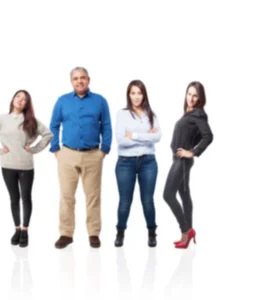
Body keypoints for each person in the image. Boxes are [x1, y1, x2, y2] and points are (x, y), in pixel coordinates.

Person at [49, 66, 112, 249]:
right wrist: (56, 149)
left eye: (82, 77)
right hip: (67, 154)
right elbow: (54, 125)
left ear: (89, 80)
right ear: (71, 81)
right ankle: (66, 234)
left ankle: (93, 233)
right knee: (66, 196)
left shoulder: (100, 101)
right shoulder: (62, 101)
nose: (79, 81)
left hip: (93, 155)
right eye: (76, 78)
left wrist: (104, 150)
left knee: (93, 196)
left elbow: (106, 126)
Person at [0, 90, 52, 247]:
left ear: (27, 104)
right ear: (13, 99)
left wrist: (33, 149)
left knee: (26, 197)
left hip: (26, 165)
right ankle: (17, 229)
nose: (20, 100)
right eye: (18, 97)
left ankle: (25, 230)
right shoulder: (3, 119)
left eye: (24, 99)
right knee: (14, 198)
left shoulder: (30, 120)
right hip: (7, 165)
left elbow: (48, 135)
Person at [163, 81, 213, 249]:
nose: (191, 98)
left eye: (195, 95)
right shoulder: (189, 113)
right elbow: (197, 135)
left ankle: (186, 230)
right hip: (178, 159)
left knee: (168, 195)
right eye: (189, 94)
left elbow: (208, 136)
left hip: (183, 161)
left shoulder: (198, 114)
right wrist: (190, 146)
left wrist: (191, 151)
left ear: (200, 98)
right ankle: (187, 235)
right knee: (184, 194)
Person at [113, 80, 161, 248]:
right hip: (126, 162)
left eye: (139, 93)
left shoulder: (151, 114)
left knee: (148, 200)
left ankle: (152, 232)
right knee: (125, 200)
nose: (136, 97)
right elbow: (120, 140)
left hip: (148, 162)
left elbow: (157, 137)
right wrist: (145, 135)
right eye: (133, 93)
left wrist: (132, 135)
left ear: (144, 95)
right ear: (128, 95)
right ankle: (120, 232)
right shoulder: (122, 114)